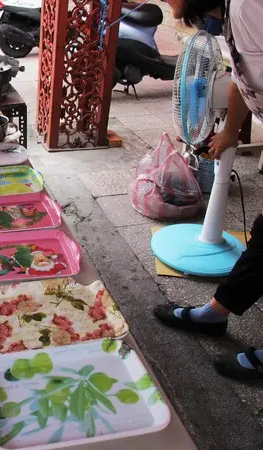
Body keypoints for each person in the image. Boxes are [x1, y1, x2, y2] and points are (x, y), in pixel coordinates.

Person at [153, 0, 263, 380]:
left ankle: (215, 314)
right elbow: (241, 78)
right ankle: (215, 314)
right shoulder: (231, 16)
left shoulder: (250, 8)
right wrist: (230, 131)